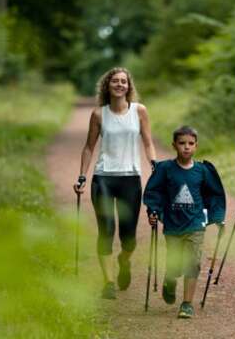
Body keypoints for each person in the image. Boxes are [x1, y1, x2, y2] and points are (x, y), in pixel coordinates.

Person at [74, 67, 156, 299]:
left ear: (129, 87)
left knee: (128, 238)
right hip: (104, 178)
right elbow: (89, 147)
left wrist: (154, 166)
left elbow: (148, 142)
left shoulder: (139, 111)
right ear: (107, 86)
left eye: (124, 82)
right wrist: (82, 176)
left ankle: (124, 260)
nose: (120, 85)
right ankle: (108, 282)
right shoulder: (99, 114)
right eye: (115, 81)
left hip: (130, 178)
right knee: (106, 231)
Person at [143, 126, 226, 319]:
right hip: (172, 225)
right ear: (174, 145)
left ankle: (187, 303)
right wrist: (153, 211)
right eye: (182, 143)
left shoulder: (202, 170)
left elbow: (215, 195)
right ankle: (170, 280)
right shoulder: (165, 169)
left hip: (196, 224)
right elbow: (154, 192)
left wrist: (218, 217)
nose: (186, 147)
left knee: (193, 263)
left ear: (196, 146)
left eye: (190, 144)